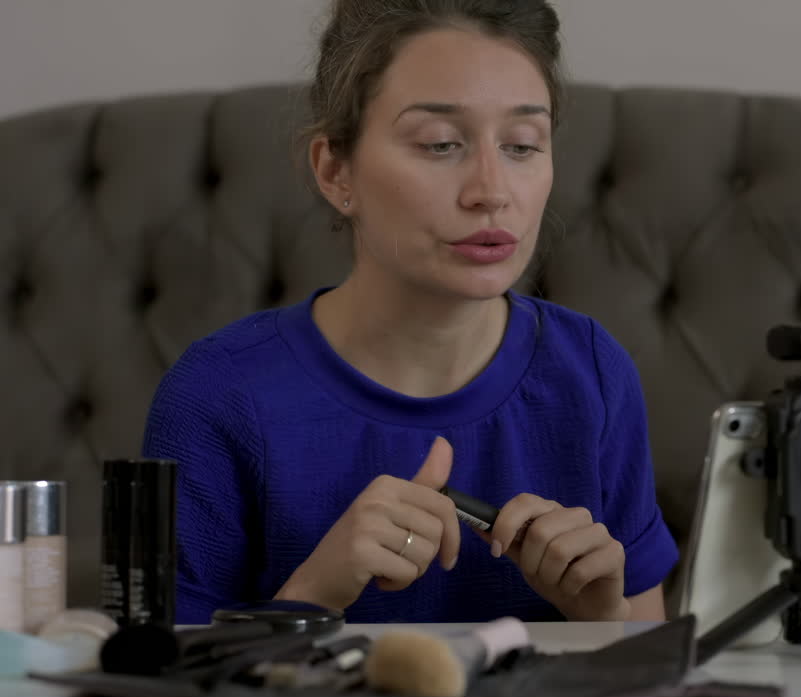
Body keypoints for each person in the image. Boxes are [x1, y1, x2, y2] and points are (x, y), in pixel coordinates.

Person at [141, 0, 679, 625]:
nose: (492, 191)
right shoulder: (215, 396)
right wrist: (317, 591)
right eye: (440, 144)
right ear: (335, 170)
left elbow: (649, 667)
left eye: (523, 145)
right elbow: (160, 688)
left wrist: (600, 617)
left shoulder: (592, 373)